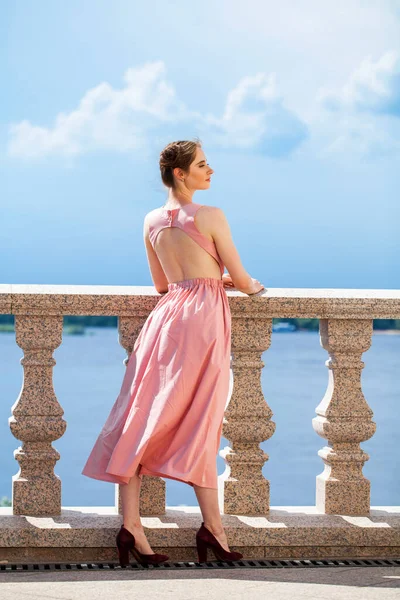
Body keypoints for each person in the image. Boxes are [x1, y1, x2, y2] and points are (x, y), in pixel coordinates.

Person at [81, 138, 265, 566]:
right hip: (202, 321)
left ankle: (131, 528)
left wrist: (200, 278)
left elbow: (161, 285)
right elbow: (242, 277)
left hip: (166, 319)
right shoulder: (211, 215)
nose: (210, 170)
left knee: (141, 416)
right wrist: (245, 284)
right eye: (203, 164)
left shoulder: (150, 220)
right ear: (180, 173)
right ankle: (213, 529)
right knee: (202, 417)